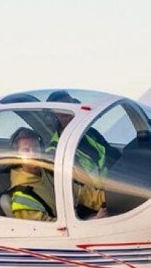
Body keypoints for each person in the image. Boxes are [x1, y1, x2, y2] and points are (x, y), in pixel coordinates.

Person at [46, 90, 111, 218]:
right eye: (60, 108)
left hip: (116, 186)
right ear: (53, 115)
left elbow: (110, 154)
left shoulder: (88, 131)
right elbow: (77, 191)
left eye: (68, 105)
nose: (65, 112)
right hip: (96, 203)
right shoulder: (56, 151)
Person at [7, 127, 57, 221]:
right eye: (26, 150)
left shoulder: (46, 171)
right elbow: (47, 230)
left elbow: (77, 193)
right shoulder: (21, 197)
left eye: (36, 148)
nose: (33, 154)